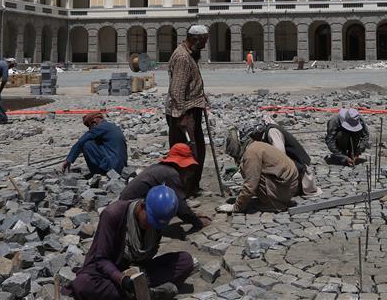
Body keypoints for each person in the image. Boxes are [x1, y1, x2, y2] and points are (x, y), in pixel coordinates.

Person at [68, 185, 193, 300]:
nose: (151, 227)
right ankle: (147, 294)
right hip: (110, 273)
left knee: (185, 261)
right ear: (143, 206)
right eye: (150, 221)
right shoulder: (113, 214)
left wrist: (137, 276)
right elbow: (101, 259)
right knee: (82, 284)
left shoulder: (156, 225)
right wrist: (122, 279)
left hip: (138, 272)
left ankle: (142, 293)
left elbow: (147, 259)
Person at [119, 143, 212, 232]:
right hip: (130, 212)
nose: (189, 172)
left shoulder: (161, 169)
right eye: (189, 168)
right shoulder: (171, 175)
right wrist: (197, 222)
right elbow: (181, 209)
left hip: (124, 206)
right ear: (182, 165)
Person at [166, 24, 210, 195]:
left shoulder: (189, 54)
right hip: (184, 114)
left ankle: (192, 187)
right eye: (203, 42)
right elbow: (177, 90)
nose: (205, 46)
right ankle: (183, 190)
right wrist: (182, 116)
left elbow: (188, 84)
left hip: (192, 110)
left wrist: (200, 95)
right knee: (187, 153)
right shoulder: (183, 57)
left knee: (197, 149)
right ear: (195, 39)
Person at [217, 128, 298, 213]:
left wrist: (236, 207)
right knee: (250, 171)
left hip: (285, 187)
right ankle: (275, 199)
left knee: (252, 176)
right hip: (290, 184)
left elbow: (250, 185)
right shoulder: (256, 145)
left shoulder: (251, 153)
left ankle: (274, 204)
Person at [243, 120, 320, 196]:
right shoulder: (266, 134)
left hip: (298, 165)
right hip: (291, 164)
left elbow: (280, 156)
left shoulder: (272, 132)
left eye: (253, 135)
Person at [62, 113, 128, 176]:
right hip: (121, 165)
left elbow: (81, 142)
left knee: (86, 144)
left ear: (94, 122)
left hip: (113, 166)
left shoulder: (99, 127)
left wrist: (68, 160)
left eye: (89, 126)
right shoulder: (111, 125)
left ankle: (99, 173)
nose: (90, 129)